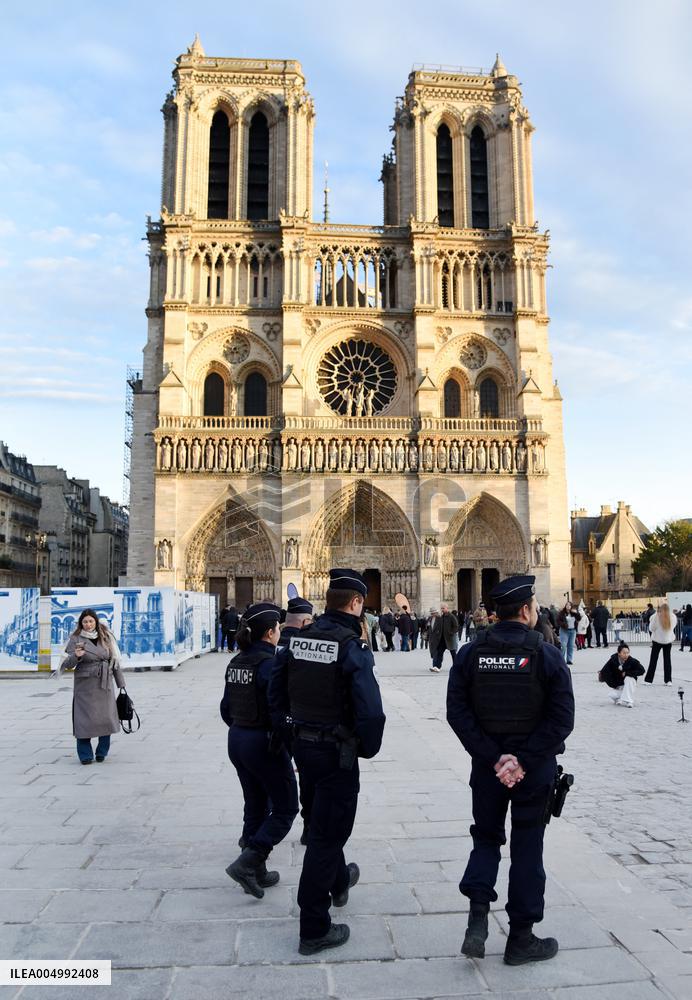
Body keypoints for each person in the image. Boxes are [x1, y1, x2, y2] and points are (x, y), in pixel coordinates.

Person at [447, 575, 574, 966]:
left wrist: (494, 757)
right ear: (525, 611)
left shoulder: (470, 654)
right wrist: (522, 760)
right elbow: (562, 720)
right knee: (527, 848)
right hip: (532, 773)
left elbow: (458, 714)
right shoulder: (548, 655)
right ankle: (521, 939)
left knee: (485, 839)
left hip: (488, 771)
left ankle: (477, 924)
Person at [269, 568, 385, 955]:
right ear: (355, 603)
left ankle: (340, 881)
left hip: (304, 746)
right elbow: (371, 713)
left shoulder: (298, 639)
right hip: (336, 752)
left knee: (319, 817)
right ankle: (314, 926)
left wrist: (291, 732)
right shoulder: (352, 646)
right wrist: (365, 748)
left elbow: (275, 690)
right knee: (327, 835)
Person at [222, 602, 299, 899]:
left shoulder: (236, 662)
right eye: (278, 628)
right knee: (286, 808)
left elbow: (225, 708)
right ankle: (248, 861)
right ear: (270, 633)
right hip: (262, 742)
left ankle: (258, 869)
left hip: (237, 738)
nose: (280, 632)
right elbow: (280, 710)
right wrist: (291, 744)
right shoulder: (271, 664)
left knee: (255, 804)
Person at [60, 609, 126, 765]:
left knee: (106, 718)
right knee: (83, 720)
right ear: (81, 623)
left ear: (95, 621)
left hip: (105, 684)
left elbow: (114, 661)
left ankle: (102, 751)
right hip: (85, 685)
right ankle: (85, 755)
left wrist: (121, 684)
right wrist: (76, 656)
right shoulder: (75, 638)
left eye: (90, 621)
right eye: (85, 622)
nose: (88, 624)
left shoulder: (106, 636)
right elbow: (66, 664)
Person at [277, 596, 314, 847]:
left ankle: (251, 838)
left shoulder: (267, 642)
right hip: (300, 723)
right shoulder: (308, 646)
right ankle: (309, 827)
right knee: (308, 779)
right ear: (306, 621)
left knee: (270, 782)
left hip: (271, 725)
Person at [599, 642, 645, 707]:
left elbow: (642, 670)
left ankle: (629, 701)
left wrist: (627, 673)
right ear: (619, 653)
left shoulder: (632, 661)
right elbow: (605, 671)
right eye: (624, 653)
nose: (626, 655)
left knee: (628, 678)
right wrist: (614, 685)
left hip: (630, 682)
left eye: (627, 653)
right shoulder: (613, 660)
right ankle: (619, 698)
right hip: (619, 684)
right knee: (612, 694)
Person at [644, 602, 677, 686]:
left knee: (653, 660)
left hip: (657, 641)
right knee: (667, 660)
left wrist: (656, 615)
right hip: (668, 641)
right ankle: (668, 680)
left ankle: (648, 680)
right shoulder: (673, 617)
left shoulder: (656, 617)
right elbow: (673, 627)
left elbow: (651, 628)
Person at [429, 603, 459, 672]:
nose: (442, 609)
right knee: (439, 653)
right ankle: (437, 667)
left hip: (450, 639)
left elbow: (456, 626)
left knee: (453, 653)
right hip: (442, 639)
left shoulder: (451, 616)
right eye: (441, 608)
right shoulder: (441, 617)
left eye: (443, 608)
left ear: (447, 608)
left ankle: (456, 667)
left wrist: (451, 633)